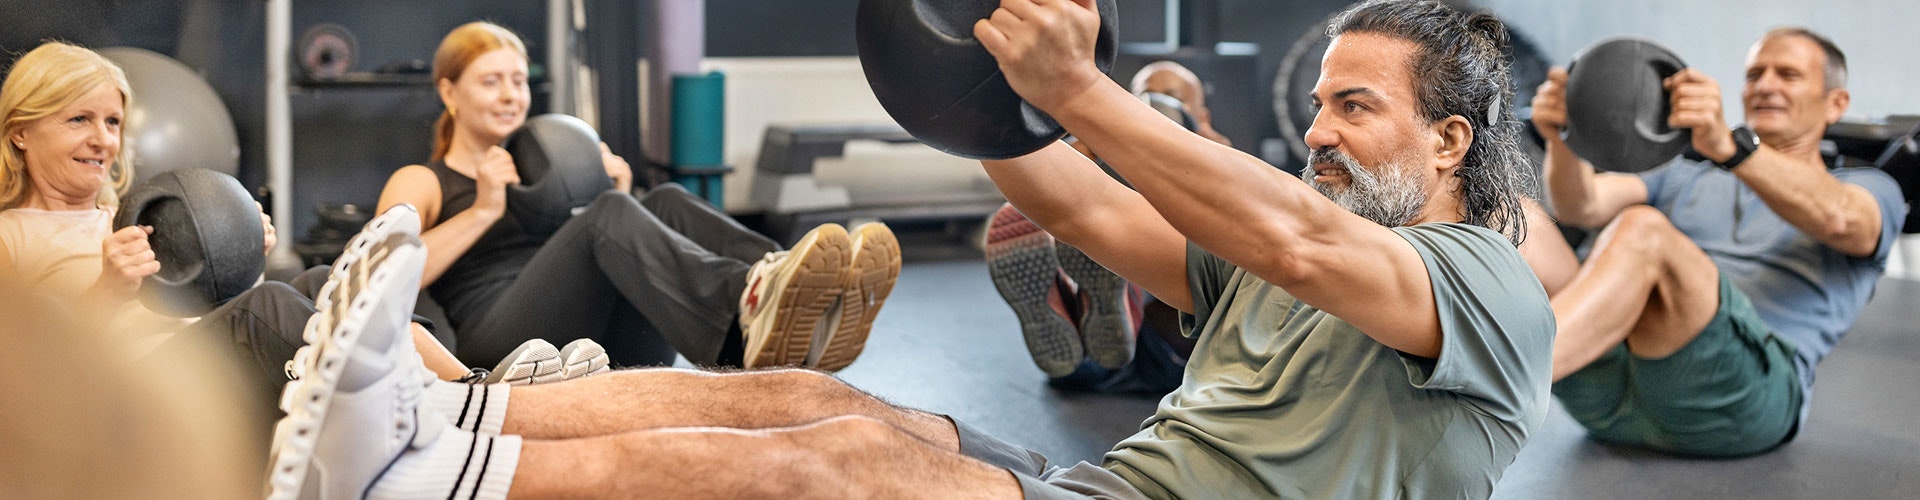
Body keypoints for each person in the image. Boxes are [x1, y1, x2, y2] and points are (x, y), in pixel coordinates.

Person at [273, 1, 1553, 498]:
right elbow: (1093, 212)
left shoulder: (1488, 288)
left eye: (1355, 107)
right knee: (813, 396)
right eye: (1318, 102)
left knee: (844, 463)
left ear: (1448, 141)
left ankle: (427, 485)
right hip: (1104, 486)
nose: (1318, 129)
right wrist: (971, 94)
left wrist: (1089, 89)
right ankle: (437, 415)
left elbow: (1304, 236)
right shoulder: (1277, 263)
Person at [0, 42, 594, 417]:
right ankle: (455, 406)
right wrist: (106, 289)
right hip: (127, 394)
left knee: (319, 281)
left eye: (111, 121)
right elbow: (24, 372)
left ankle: (472, 389)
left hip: (191, 364)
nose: (104, 139)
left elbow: (196, 308)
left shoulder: (127, 218)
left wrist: (234, 259)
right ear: (21, 130)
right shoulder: (12, 236)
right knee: (269, 308)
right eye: (78, 119)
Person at [374, 22, 899, 372]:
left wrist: (618, 194)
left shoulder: (540, 158)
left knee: (662, 199)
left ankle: (794, 293)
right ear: (449, 92)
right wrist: (485, 209)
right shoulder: (422, 180)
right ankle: (753, 298)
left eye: (519, 80)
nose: (512, 95)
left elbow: (577, 252)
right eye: (492, 82)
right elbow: (375, 281)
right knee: (610, 214)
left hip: (589, 336)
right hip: (502, 344)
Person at [1532, 27, 1907, 457]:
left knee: (1643, 229)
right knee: (1523, 219)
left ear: (1836, 103)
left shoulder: (1871, 188)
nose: (1765, 86)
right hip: (1611, 389)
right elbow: (1581, 206)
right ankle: (1485, 367)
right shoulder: (1685, 174)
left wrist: (1731, 148)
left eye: (1787, 75)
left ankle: (1492, 376)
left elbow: (1842, 220)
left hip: (1736, 401)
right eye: (1754, 75)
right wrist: (1567, 139)